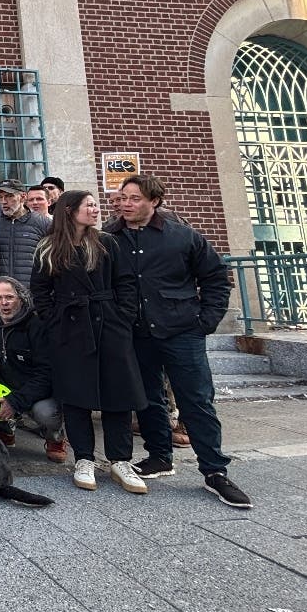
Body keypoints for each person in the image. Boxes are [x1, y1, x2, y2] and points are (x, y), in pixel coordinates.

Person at [112, 175, 250, 508]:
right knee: (147, 398)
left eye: (134, 198)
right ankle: (159, 456)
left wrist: (206, 321)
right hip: (137, 333)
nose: (126, 204)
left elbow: (217, 278)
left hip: (182, 331)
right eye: (123, 198)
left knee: (196, 400)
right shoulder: (110, 237)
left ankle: (215, 471)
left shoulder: (182, 236)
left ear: (154, 201)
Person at [32, 190, 147, 494]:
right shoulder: (49, 247)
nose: (95, 210)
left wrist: (122, 317)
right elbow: (40, 291)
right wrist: (54, 321)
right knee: (76, 395)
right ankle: (83, 457)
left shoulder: (107, 242)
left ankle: (120, 459)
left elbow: (125, 283)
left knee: (117, 392)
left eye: (96, 205)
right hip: (70, 329)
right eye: (89, 206)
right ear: (69, 210)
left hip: (109, 324)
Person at [0, 276, 66, 462]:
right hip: (4, 382)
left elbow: (46, 373)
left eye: (10, 297)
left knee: (46, 413)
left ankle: (55, 438)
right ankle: (4, 430)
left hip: (36, 389)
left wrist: (15, 402)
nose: (4, 303)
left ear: (21, 298)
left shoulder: (37, 324)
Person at [0, 179, 50, 286]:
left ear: (23, 197)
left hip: (34, 292)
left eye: (9, 196)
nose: (3, 201)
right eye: (0, 197)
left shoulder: (43, 223)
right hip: (1, 293)